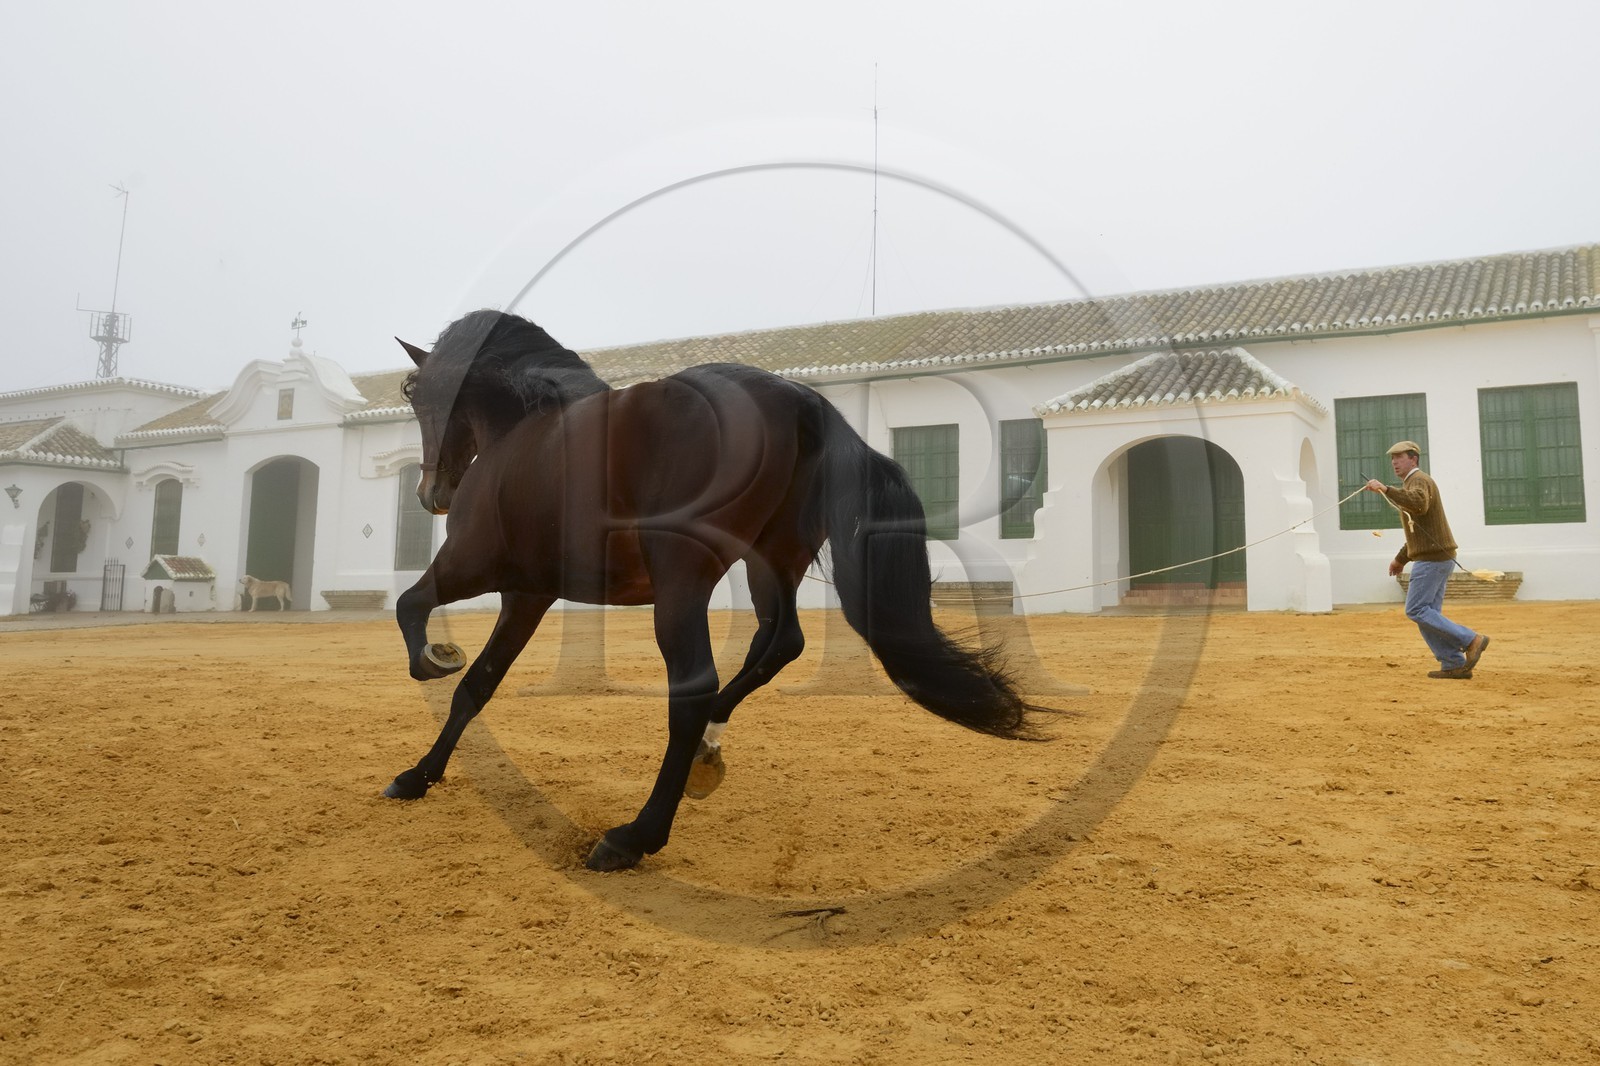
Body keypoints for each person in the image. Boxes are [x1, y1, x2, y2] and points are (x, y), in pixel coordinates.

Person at [1364, 441, 1490, 679]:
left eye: (1399, 457)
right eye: (1392, 458)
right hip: (1438, 556)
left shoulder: (1418, 480)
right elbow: (1418, 531)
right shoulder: (1415, 482)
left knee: (1416, 609)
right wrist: (1400, 559)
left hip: (1432, 560)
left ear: (1414, 459)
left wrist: (1386, 489)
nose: (1394, 462)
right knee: (1428, 614)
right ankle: (1453, 663)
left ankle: (1471, 639)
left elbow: (1419, 505)